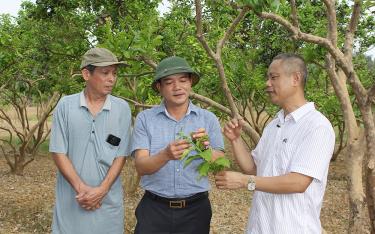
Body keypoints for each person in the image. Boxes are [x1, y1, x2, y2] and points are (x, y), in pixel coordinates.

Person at [215, 53, 335, 233]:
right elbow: (254, 168)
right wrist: (235, 140)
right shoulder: (274, 124)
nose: (267, 83)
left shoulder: (317, 126)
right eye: (268, 78)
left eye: (274, 77)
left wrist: (243, 181)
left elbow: (298, 183)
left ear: (295, 78)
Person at [131, 56, 225, 234]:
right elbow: (141, 166)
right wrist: (165, 155)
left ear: (190, 83)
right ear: (159, 87)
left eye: (183, 80)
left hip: (196, 211)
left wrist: (204, 149)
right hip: (154, 209)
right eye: (169, 82)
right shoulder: (145, 119)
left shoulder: (207, 119)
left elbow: (219, 164)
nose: (177, 87)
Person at [49, 47, 132, 234]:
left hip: (107, 203)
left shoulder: (122, 109)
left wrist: (102, 190)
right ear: (86, 74)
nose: (112, 78)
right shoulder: (66, 106)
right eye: (105, 73)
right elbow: (58, 151)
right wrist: (82, 189)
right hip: (72, 201)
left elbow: (121, 155)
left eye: (114, 73)